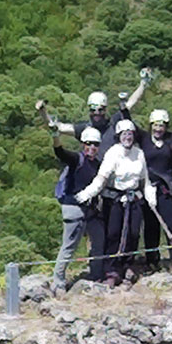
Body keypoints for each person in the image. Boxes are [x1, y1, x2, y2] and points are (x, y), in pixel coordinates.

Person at [76, 119, 157, 286]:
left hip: (134, 198)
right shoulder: (113, 153)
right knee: (113, 234)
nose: (127, 137)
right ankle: (111, 269)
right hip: (114, 200)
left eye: (130, 134)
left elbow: (144, 180)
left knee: (133, 234)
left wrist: (150, 196)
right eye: (124, 134)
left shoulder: (139, 154)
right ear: (119, 136)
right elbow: (101, 179)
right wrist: (87, 193)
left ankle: (127, 265)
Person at [46, 121, 108, 290]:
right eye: (89, 144)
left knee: (99, 241)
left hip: (90, 209)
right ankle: (58, 282)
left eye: (95, 144)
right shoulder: (76, 160)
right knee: (69, 246)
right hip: (73, 208)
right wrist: (55, 136)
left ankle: (96, 275)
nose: (92, 148)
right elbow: (60, 152)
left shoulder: (97, 164)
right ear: (83, 144)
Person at [41, 68, 152, 157]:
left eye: (100, 109)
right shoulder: (84, 129)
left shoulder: (114, 123)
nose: (97, 113)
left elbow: (131, 103)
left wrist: (143, 84)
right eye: (93, 110)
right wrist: (42, 111)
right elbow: (57, 127)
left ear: (105, 110)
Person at [139, 108, 172, 272]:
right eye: (156, 125)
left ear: (166, 126)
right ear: (151, 125)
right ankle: (152, 261)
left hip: (166, 189)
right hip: (148, 188)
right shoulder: (144, 138)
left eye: (162, 126)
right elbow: (128, 124)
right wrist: (124, 106)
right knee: (151, 227)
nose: (158, 129)